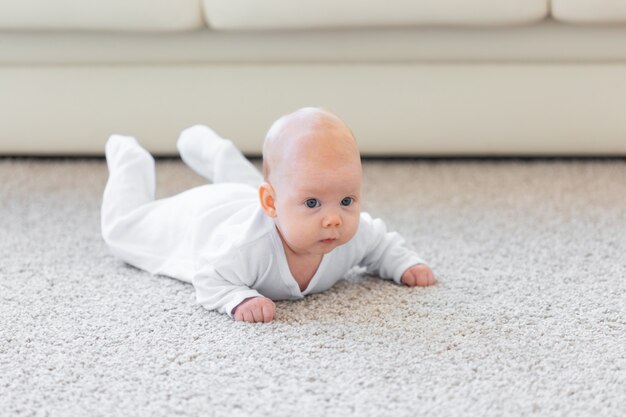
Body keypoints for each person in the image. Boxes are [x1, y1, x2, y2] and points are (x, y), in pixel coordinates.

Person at [101, 107, 436, 323]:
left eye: (347, 200)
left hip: (258, 200)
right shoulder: (246, 248)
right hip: (205, 217)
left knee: (271, 186)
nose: (334, 219)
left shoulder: (350, 233)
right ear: (271, 205)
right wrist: (238, 297)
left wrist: (405, 263)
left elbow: (382, 245)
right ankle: (130, 160)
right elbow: (210, 276)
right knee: (123, 230)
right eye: (313, 204)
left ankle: (216, 152)